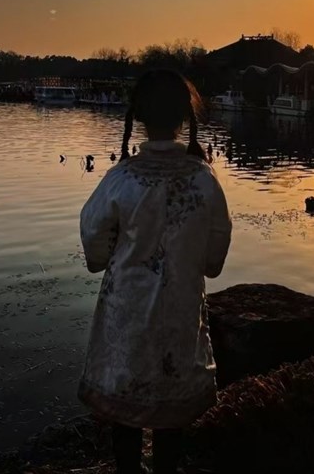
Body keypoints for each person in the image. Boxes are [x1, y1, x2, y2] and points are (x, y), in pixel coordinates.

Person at [78, 69, 232, 474]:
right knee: (173, 407)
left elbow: (94, 240)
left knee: (125, 400)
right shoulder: (205, 180)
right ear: (185, 118)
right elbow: (214, 258)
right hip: (180, 308)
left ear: (139, 117)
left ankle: (128, 469)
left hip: (126, 308)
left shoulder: (121, 178)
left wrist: (116, 255)